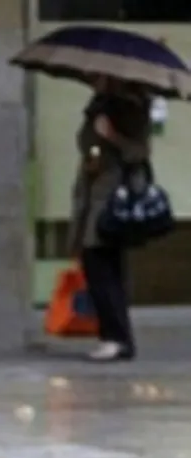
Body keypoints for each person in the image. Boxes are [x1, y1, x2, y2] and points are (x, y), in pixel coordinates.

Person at [70, 74, 152, 362]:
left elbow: (138, 152)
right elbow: (86, 143)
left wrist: (111, 137)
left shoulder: (131, 107)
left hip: (111, 200)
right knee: (100, 266)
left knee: (102, 265)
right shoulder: (99, 105)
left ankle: (118, 338)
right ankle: (112, 336)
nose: (94, 79)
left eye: (100, 76)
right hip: (93, 195)